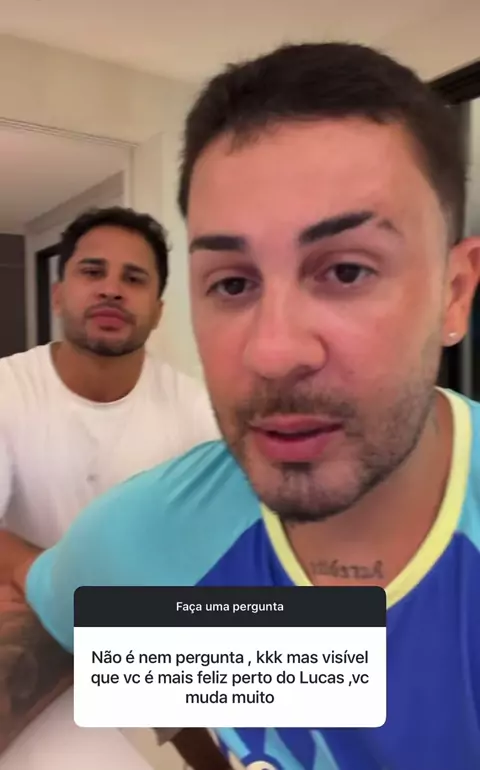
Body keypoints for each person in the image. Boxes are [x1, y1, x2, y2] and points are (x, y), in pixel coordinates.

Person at [2, 41, 480, 769]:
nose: (273, 351)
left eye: (347, 270)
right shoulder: (147, 538)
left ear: (454, 292)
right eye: (232, 283)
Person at [0, 206, 225, 768]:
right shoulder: (7, 390)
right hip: (31, 630)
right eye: (92, 271)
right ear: (59, 295)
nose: (111, 289)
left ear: (158, 310)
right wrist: (48, 578)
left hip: (142, 639)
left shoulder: (197, 411)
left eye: (134, 278)